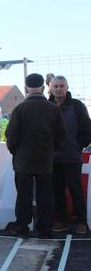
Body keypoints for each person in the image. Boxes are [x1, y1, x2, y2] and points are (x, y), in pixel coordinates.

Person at [5, 73, 66, 237]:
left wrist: (16, 152)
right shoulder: (53, 109)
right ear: (44, 87)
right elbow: (61, 134)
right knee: (45, 195)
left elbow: (11, 136)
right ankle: (45, 228)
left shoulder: (20, 109)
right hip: (45, 159)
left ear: (26, 88)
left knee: (23, 195)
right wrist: (51, 150)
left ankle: (22, 227)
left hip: (23, 160)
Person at [49, 75, 91, 234]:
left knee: (76, 189)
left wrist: (77, 146)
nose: (58, 89)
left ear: (67, 88)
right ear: (50, 88)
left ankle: (81, 221)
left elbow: (87, 129)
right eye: (56, 86)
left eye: (61, 86)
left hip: (72, 156)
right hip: (52, 158)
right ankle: (61, 220)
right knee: (56, 190)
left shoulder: (77, 106)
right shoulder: (47, 106)